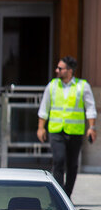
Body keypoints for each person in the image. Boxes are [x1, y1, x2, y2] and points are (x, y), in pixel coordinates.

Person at [37, 56, 96, 196]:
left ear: (69, 70)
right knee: (59, 160)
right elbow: (44, 108)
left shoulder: (82, 86)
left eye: (60, 68)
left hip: (75, 132)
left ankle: (67, 194)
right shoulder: (52, 85)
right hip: (56, 131)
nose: (56, 70)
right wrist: (41, 127)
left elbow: (90, 108)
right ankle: (59, 196)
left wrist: (91, 128)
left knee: (72, 164)